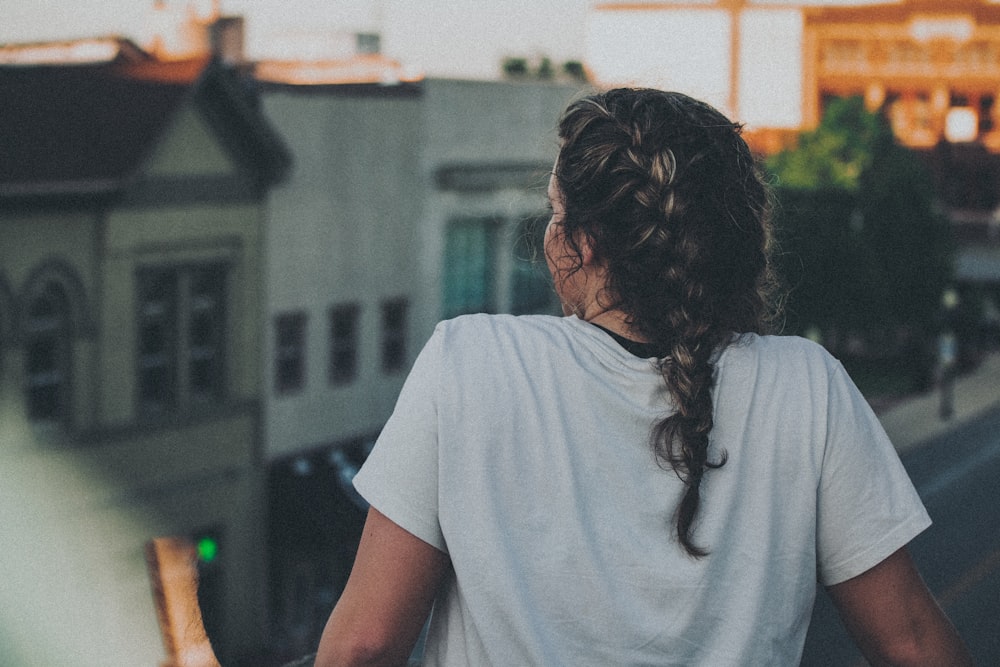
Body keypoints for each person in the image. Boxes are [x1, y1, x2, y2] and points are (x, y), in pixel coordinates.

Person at [315, 88, 972, 666]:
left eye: (555, 210)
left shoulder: (468, 361)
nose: (549, 234)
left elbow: (365, 645)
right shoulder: (807, 386)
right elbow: (910, 642)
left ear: (586, 241)